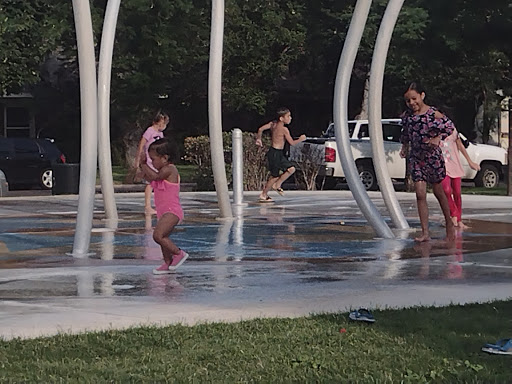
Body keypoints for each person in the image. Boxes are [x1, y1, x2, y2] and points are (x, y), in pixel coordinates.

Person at [399, 82, 456, 242]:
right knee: (420, 193)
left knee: (439, 192)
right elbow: (405, 133)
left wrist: (438, 138)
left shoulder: (433, 114)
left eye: (414, 99)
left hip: (432, 157)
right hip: (417, 158)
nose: (412, 103)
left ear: (422, 96)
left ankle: (449, 222)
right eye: (408, 101)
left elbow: (449, 127)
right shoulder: (407, 117)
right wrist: (405, 147)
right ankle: (425, 232)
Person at [139, 138, 188, 274]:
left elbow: (155, 177)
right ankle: (168, 262)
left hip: (172, 211)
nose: (152, 163)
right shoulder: (162, 173)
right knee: (163, 238)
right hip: (164, 212)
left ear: (165, 158)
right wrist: (141, 171)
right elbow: (150, 178)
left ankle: (178, 253)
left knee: (158, 236)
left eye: (153, 159)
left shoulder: (170, 169)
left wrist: (144, 164)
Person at [255, 107, 306, 202]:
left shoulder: (272, 124)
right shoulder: (284, 129)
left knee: (291, 169)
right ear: (281, 118)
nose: (290, 118)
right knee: (274, 176)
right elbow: (292, 143)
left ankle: (277, 185)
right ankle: (264, 194)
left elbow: (260, 129)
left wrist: (259, 139)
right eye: (288, 116)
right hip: (275, 153)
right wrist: (301, 139)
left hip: (276, 152)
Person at [440, 128, 480, 229]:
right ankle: (453, 213)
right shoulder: (433, 130)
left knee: (457, 193)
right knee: (446, 190)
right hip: (442, 166)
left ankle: (458, 219)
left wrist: (470, 162)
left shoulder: (452, 130)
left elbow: (460, 146)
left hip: (455, 165)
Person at [135, 111, 170, 214]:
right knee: (150, 183)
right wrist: (139, 158)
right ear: (158, 122)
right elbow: (142, 144)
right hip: (150, 160)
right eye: (163, 124)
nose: (164, 126)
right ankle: (147, 206)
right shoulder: (149, 131)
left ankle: (161, 203)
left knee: (160, 181)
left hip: (158, 161)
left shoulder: (160, 133)